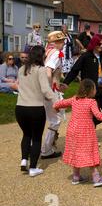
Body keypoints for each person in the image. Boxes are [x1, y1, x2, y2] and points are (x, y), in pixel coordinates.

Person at [54, 79, 102, 187]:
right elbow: (98, 115)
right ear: (91, 90)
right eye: (95, 88)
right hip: (86, 131)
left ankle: (76, 177)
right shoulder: (91, 102)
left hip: (73, 130)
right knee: (90, 152)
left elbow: (59, 103)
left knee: (76, 152)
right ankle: (96, 178)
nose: (96, 90)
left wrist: (56, 109)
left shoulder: (74, 99)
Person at [62, 34, 102, 126]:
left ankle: (89, 125)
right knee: (91, 113)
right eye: (99, 44)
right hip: (90, 91)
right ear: (94, 43)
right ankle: (88, 133)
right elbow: (74, 70)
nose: (101, 46)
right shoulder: (85, 56)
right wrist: (66, 83)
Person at [16, 46, 56, 177]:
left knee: (26, 135)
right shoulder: (41, 70)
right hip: (35, 108)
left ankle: (24, 160)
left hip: (20, 108)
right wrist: (57, 102)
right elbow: (45, 90)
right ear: (40, 56)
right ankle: (33, 168)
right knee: (37, 138)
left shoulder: (21, 69)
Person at [41, 31, 66, 160]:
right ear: (56, 42)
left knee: (53, 119)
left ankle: (47, 146)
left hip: (51, 89)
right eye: (61, 41)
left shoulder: (47, 51)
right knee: (55, 120)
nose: (63, 43)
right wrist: (49, 91)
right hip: (51, 92)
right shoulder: (56, 53)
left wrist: (59, 84)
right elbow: (48, 71)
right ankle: (46, 150)